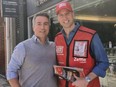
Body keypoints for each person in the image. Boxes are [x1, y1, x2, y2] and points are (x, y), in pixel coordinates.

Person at [55, 1, 109, 87]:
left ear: (73, 14)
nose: (64, 17)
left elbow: (104, 62)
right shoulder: (57, 38)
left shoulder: (90, 35)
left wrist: (86, 79)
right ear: (57, 18)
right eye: (61, 15)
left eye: (67, 13)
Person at [6, 13, 57, 87]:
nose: (42, 27)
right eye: (39, 24)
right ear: (33, 27)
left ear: (49, 27)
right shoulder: (23, 47)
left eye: (45, 24)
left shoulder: (54, 47)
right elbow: (11, 71)